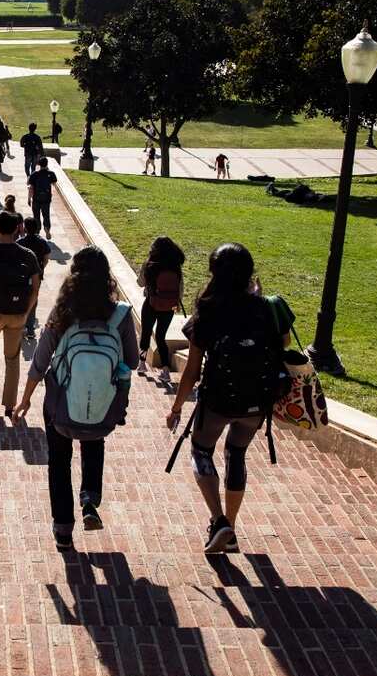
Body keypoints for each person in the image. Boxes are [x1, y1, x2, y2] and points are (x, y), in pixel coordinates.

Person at [14, 245, 139, 551]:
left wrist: (25, 399)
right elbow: (133, 361)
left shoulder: (62, 313)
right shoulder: (121, 315)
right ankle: (89, 500)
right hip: (102, 406)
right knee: (94, 442)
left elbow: (40, 363)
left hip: (60, 404)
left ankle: (63, 530)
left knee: (59, 461)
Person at [166, 243, 283, 554]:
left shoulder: (208, 310)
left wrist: (176, 407)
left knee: (201, 451)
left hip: (218, 398)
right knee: (236, 454)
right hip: (257, 401)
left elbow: (191, 370)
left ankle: (219, 520)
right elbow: (282, 345)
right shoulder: (266, 308)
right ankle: (230, 529)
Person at [0, 211, 41, 413]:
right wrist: (26, 312)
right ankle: (10, 402)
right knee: (12, 358)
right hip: (17, 314)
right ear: (16, 229)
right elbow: (35, 289)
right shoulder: (28, 255)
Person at [136, 236, 185, 382]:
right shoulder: (176, 266)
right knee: (161, 337)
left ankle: (142, 363)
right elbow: (181, 289)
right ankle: (165, 370)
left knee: (145, 333)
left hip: (151, 304)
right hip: (169, 306)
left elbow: (140, 283)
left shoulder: (150, 264)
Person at [17, 217, 51, 340]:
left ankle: (22, 326)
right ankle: (30, 329)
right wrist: (41, 269)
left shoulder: (20, 242)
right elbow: (47, 257)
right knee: (33, 300)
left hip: (23, 276)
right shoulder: (42, 242)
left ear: (25, 228)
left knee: (22, 300)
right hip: (36, 276)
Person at [27, 156, 57, 240]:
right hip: (46, 199)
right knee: (46, 215)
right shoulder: (51, 174)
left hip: (36, 199)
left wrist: (29, 199)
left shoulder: (34, 174)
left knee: (36, 216)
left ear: (39, 164)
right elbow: (54, 184)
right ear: (47, 164)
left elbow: (30, 188)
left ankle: (37, 232)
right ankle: (47, 230)